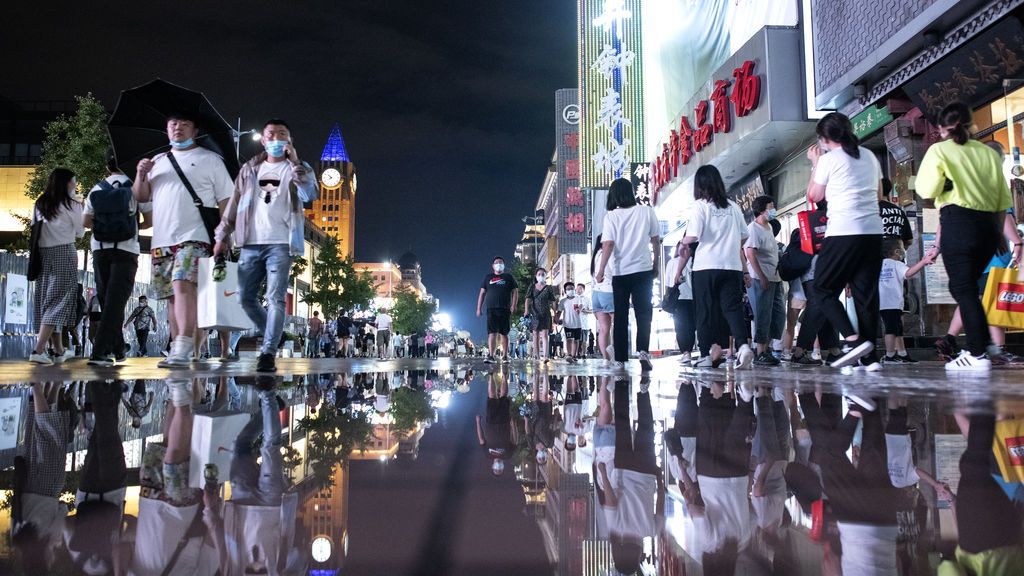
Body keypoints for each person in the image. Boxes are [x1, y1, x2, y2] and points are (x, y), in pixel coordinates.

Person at [214, 119, 318, 372]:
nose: (276, 138)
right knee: (245, 298)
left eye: (282, 134)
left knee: (276, 298)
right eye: (271, 134)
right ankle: (274, 332)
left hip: (281, 244)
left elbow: (310, 194)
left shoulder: (299, 169)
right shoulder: (249, 169)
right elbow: (234, 204)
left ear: (289, 141)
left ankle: (268, 352)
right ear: (263, 140)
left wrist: (295, 163)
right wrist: (221, 236)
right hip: (250, 242)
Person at [133, 112, 234, 368]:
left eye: (184, 124)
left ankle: (183, 345)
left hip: (196, 237)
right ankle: (179, 345)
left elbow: (226, 200)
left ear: (196, 130)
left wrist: (224, 235)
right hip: (162, 239)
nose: (178, 128)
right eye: (173, 124)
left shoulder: (210, 160)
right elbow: (142, 197)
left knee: (182, 285)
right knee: (170, 295)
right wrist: (141, 174)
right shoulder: (157, 161)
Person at [918, 103, 1012, 371]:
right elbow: (1003, 198)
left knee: (963, 289)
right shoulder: (987, 153)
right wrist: (999, 235)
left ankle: (976, 354)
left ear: (940, 128)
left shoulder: (939, 150)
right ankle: (988, 346)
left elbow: (927, 189)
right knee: (969, 287)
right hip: (989, 227)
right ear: (973, 125)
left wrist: (946, 183)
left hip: (959, 222)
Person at [804, 112, 885, 370]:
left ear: (826, 139)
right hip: (873, 233)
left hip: (843, 232)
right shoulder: (869, 156)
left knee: (822, 289)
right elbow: (880, 193)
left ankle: (853, 340)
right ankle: (871, 358)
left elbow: (814, 195)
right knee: (866, 296)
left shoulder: (829, 159)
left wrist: (816, 163)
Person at [682, 165, 755, 369]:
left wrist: (682, 243)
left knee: (705, 311)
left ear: (700, 185)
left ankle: (707, 354)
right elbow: (743, 236)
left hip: (706, 266)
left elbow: (694, 234)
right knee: (732, 310)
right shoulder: (733, 206)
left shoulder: (701, 205)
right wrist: (728, 248)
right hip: (731, 266)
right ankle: (742, 346)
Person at [85, 157, 153, 367]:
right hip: (126, 250)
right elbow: (150, 221)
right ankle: (99, 352)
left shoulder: (96, 188)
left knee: (107, 301)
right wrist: (130, 223)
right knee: (116, 303)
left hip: (99, 249)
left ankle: (118, 348)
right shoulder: (136, 188)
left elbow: (86, 221)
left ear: (107, 166)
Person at [595, 178, 661, 371]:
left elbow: (608, 245)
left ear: (614, 195)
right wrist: (656, 264)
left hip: (621, 273)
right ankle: (643, 351)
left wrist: (600, 271)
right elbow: (656, 240)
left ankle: (621, 358)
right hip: (643, 270)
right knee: (644, 313)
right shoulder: (646, 211)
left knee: (621, 316)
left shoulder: (611, 216)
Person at [28, 168, 83, 365]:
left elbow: (35, 228)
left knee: (46, 300)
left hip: (43, 255)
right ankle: (38, 349)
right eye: (74, 181)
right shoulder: (73, 205)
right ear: (67, 183)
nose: (75, 185)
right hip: (64, 253)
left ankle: (58, 350)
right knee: (58, 302)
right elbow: (80, 233)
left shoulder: (41, 202)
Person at [745, 196, 784, 366]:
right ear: (762, 210)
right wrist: (762, 276)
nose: (774, 209)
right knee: (762, 314)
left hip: (774, 277)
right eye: (771, 206)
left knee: (776, 314)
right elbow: (750, 253)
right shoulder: (753, 229)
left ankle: (766, 349)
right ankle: (760, 351)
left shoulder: (768, 227)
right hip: (759, 278)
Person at [879, 244, 934, 364]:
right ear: (896, 251)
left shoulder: (877, 265)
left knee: (897, 329)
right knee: (891, 330)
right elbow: (908, 273)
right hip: (893, 303)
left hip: (882, 303)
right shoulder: (897, 264)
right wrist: (923, 262)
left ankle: (902, 353)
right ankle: (890, 356)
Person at [477, 256, 518, 364]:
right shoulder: (488, 277)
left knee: (504, 333)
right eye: (496, 262)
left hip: (505, 308)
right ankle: (491, 355)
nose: (498, 264)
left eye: (500, 262)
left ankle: (505, 356)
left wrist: (513, 305)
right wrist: (478, 308)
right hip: (491, 309)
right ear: (493, 265)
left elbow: (515, 292)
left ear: (504, 265)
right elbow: (482, 293)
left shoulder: (508, 277)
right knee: (492, 333)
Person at [475, 369, 517, 476]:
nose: (498, 468)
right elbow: (515, 440)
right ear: (503, 468)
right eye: (500, 470)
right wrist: (513, 425)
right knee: (503, 396)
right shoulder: (508, 455)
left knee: (492, 397)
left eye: (496, 470)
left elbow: (481, 439)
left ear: (492, 467)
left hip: (491, 422)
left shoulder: (487, 454)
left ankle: (490, 375)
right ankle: (504, 376)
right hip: (504, 422)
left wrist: (478, 422)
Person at [665, 240, 696, 365]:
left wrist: (667, 298)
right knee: (691, 327)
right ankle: (688, 351)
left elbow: (668, 283)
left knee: (681, 328)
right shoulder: (694, 261)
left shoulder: (672, 263)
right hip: (693, 298)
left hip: (678, 299)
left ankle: (685, 352)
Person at [590, 235, 616, 364]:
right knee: (617, 324)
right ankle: (614, 350)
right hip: (608, 290)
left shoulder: (595, 255)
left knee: (604, 328)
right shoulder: (608, 254)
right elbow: (614, 271)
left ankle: (606, 358)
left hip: (596, 293)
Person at [524, 268, 558, 362]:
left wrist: (555, 314)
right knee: (535, 335)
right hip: (535, 313)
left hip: (546, 313)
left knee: (545, 334)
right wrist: (526, 310)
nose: (541, 275)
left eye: (543, 274)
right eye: (539, 274)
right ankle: (537, 355)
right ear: (536, 276)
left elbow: (553, 301)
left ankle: (546, 356)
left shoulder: (549, 288)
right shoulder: (532, 286)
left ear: (545, 275)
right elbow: (527, 299)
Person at [555, 282, 584, 364]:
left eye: (572, 288)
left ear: (574, 289)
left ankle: (574, 355)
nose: (570, 290)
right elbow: (559, 311)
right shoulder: (563, 301)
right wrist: (556, 318)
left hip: (577, 323)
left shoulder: (578, 299)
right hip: (567, 324)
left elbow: (581, 305)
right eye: (568, 289)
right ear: (565, 291)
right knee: (569, 339)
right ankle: (569, 355)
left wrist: (579, 309)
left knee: (576, 340)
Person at [575, 282, 591, 359]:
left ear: (583, 290)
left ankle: (584, 354)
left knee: (584, 340)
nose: (578, 290)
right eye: (577, 289)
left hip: (585, 323)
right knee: (577, 340)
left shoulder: (587, 299)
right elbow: (574, 310)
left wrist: (584, 311)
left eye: (580, 289)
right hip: (576, 323)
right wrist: (578, 309)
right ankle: (577, 353)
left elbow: (591, 310)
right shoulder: (574, 299)